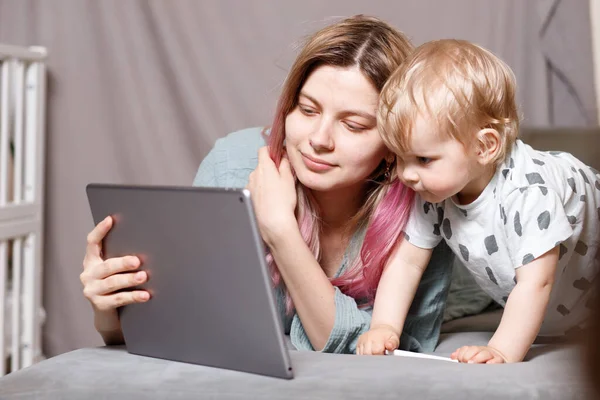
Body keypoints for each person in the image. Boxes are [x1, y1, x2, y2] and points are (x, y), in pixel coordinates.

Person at [80, 15, 454, 354]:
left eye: (353, 125)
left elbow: (379, 350)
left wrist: (279, 230)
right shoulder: (232, 166)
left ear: (393, 145)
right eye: (307, 110)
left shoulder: (424, 207)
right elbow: (173, 322)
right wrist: (109, 310)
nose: (319, 138)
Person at [357, 39, 599, 362]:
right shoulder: (432, 191)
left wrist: (500, 349)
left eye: (424, 159)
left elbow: (536, 282)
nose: (407, 175)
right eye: (400, 158)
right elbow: (406, 261)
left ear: (484, 147)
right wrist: (384, 326)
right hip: (565, 313)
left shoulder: (527, 193)